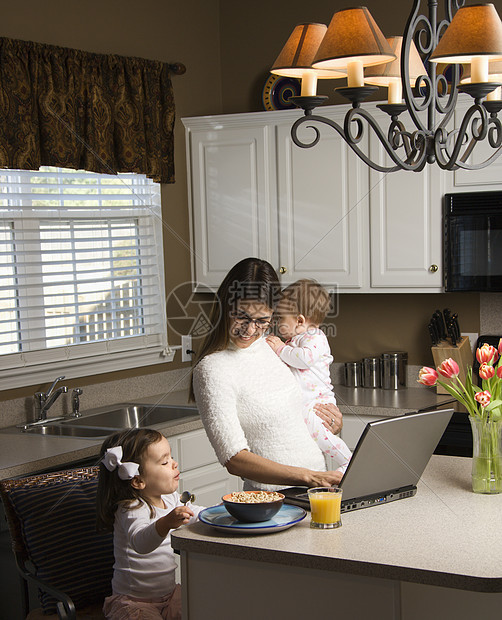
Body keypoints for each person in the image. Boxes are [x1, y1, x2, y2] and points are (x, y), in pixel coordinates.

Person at [191, 257, 344, 492]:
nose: (250, 330)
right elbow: (234, 458)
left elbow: (292, 418)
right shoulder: (213, 369)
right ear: (225, 305)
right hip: (271, 502)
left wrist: (329, 423)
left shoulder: (273, 347)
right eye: (241, 316)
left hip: (317, 492)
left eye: (262, 320)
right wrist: (308, 477)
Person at [96, 428, 203, 620]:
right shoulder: (131, 508)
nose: (174, 463)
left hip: (170, 597)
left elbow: (192, 513)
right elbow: (141, 543)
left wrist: (221, 510)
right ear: (138, 480)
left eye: (171, 457)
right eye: (164, 461)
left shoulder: (169, 498)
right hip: (134, 603)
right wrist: (166, 523)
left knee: (202, 608)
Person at [265, 279, 352, 474]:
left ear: (300, 320)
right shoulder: (296, 339)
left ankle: (348, 462)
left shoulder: (315, 337)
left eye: (281, 318)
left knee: (321, 435)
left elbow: (304, 359)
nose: (277, 323)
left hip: (318, 403)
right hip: (307, 404)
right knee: (315, 435)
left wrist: (280, 348)